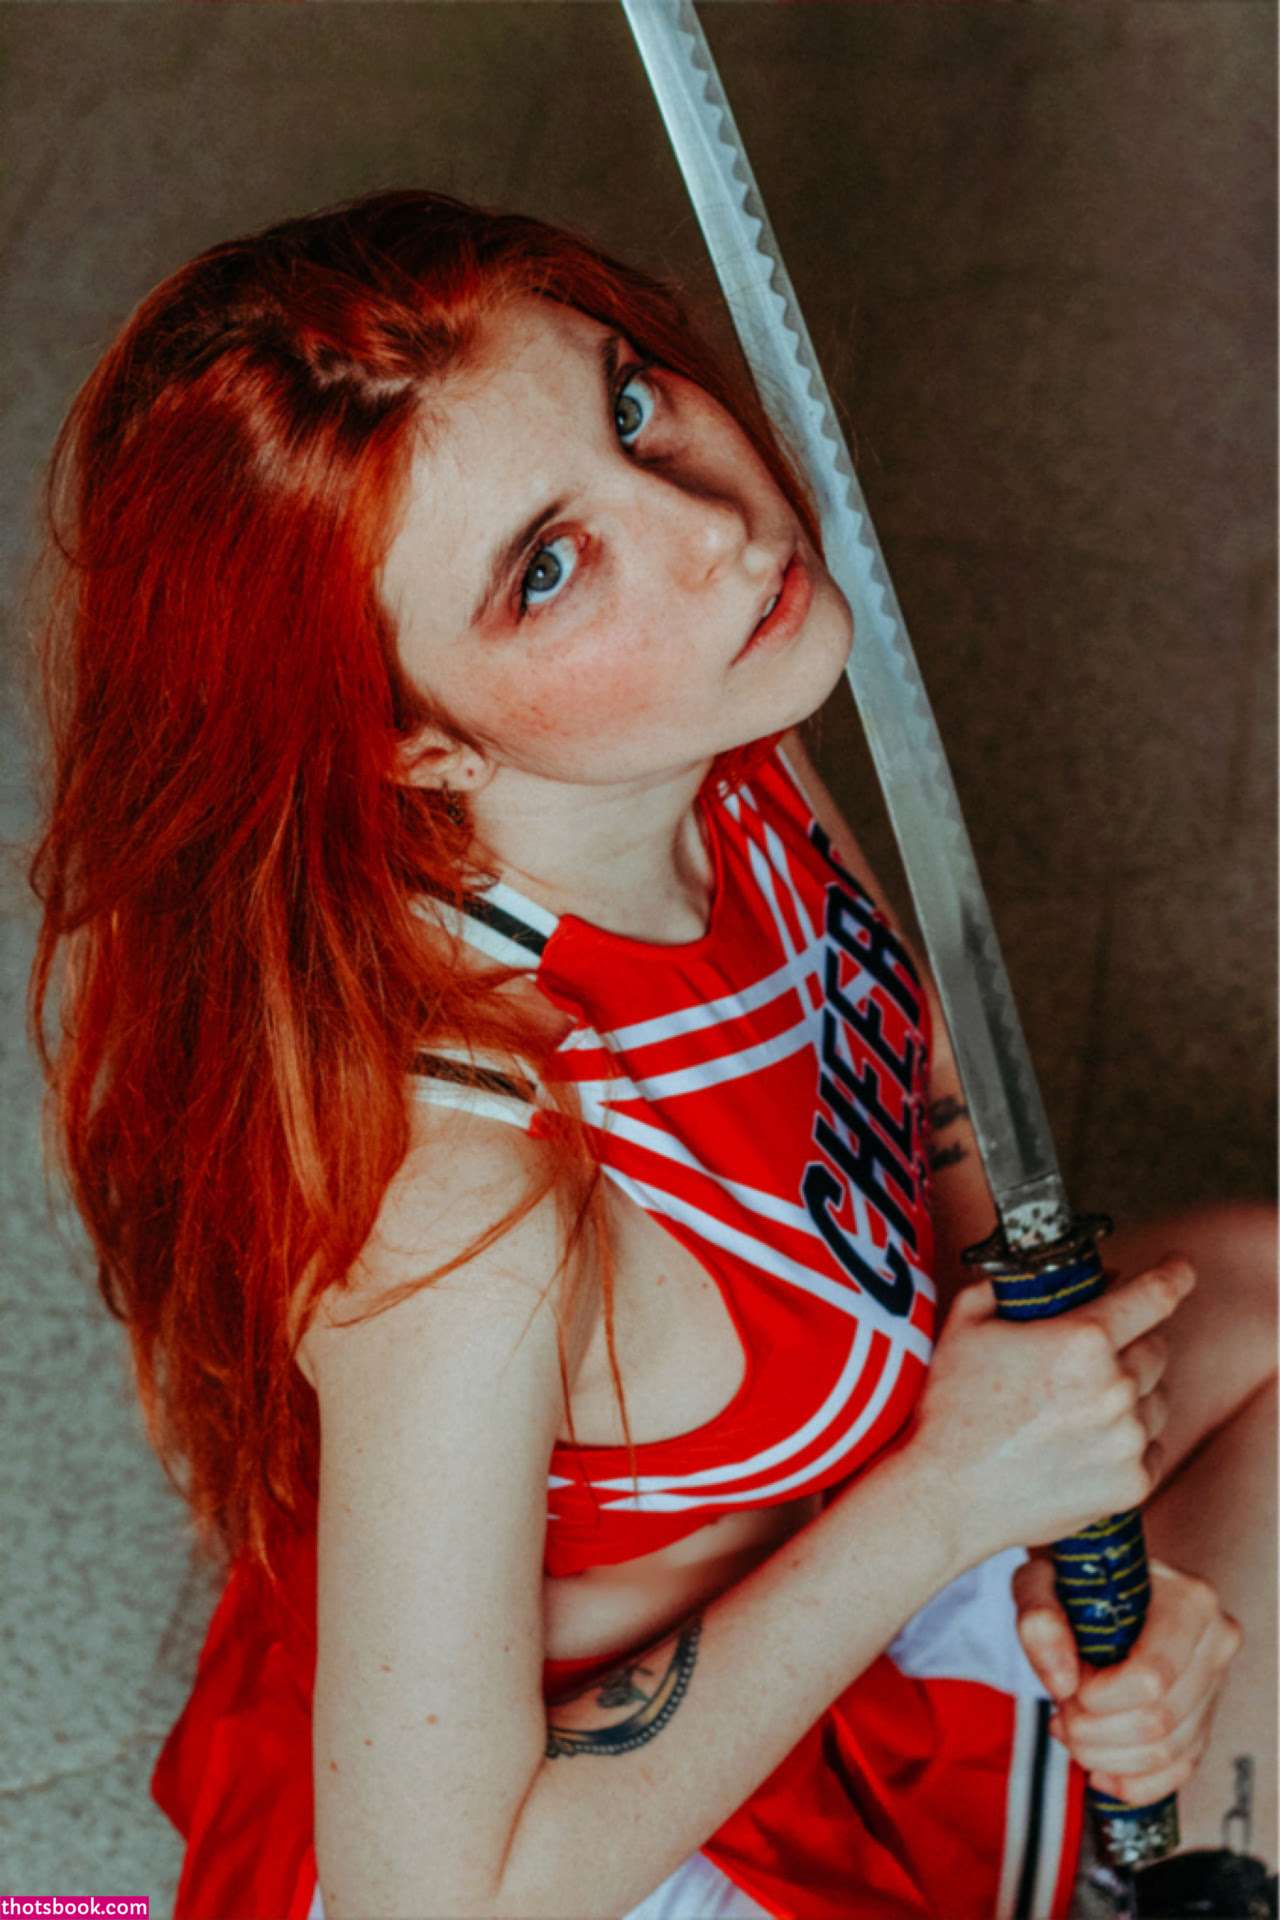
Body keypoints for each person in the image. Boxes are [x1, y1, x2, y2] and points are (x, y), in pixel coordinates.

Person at [23, 187, 1275, 1920]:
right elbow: (434, 1898)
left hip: (850, 1554)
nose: (714, 533)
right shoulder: (464, 1206)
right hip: (587, 1830)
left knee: (1264, 1295)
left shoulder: (714, 733)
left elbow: (914, 1099)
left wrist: (1084, 1538)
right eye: (547, 569)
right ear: (414, 748)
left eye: (628, 404)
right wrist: (955, 1501)